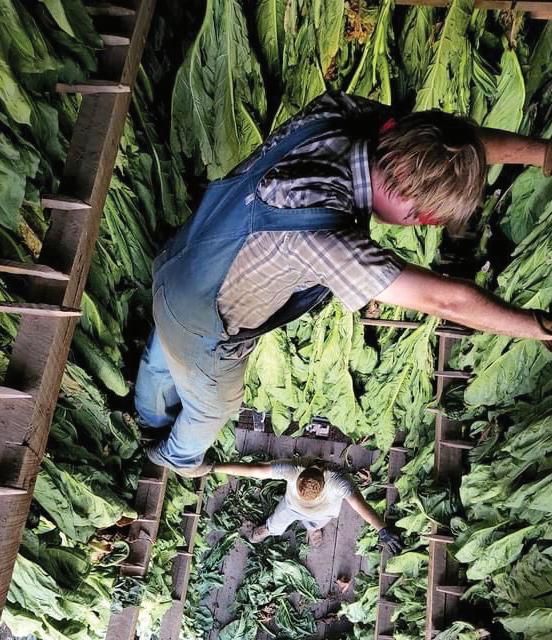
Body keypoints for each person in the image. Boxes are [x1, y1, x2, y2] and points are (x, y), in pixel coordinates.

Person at [135, 92, 552, 477]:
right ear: (412, 212)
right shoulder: (325, 239)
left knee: (162, 353)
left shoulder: (339, 113)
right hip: (204, 328)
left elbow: (452, 145)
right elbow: (448, 301)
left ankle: (147, 415)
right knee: (212, 405)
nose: (421, 225)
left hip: (181, 259)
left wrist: (543, 153)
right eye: (425, 219)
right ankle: (177, 457)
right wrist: (540, 327)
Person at [211, 457, 403, 553]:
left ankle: (312, 530)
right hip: (290, 506)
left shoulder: (339, 480)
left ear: (323, 484)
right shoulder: (294, 468)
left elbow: (359, 504)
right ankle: (268, 530)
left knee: (315, 523)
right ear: (301, 477)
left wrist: (382, 529)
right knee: (277, 521)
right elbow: (256, 470)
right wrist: (215, 467)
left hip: (322, 514)